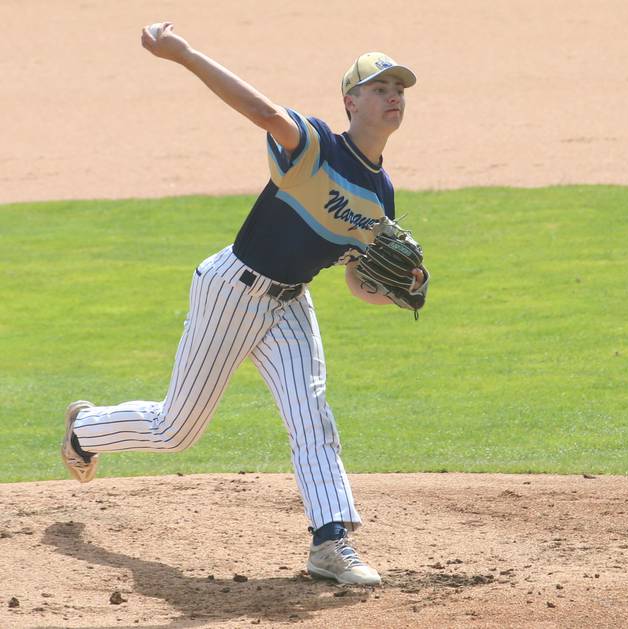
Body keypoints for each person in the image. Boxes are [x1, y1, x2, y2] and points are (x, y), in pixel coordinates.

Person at [60, 22, 426, 587]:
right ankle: (86, 428)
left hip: (290, 306)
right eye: (380, 87)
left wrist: (390, 289)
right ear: (351, 101)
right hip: (232, 290)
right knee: (175, 431)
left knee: (311, 415)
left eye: (398, 88)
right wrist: (183, 54)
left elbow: (357, 279)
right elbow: (257, 108)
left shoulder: (382, 197)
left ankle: (331, 542)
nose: (393, 96)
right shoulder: (315, 146)